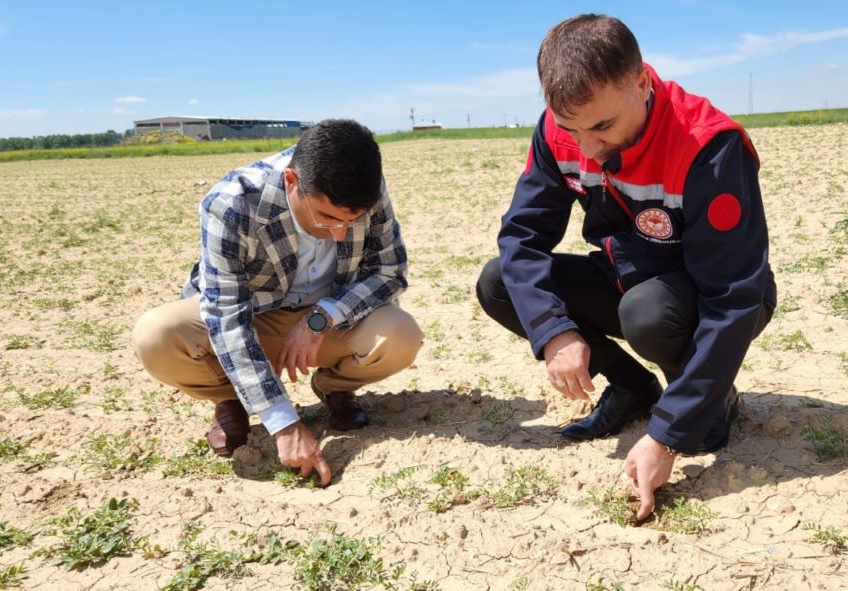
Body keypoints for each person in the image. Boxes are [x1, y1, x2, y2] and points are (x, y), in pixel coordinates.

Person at [476, 14, 776, 519]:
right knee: (501, 282)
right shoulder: (561, 131)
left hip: (710, 299)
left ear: (641, 83)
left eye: (602, 127)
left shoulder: (707, 146)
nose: (588, 148)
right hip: (627, 276)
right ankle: (634, 389)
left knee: (648, 313)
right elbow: (522, 237)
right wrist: (554, 332)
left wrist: (667, 436)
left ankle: (707, 400)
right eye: (572, 128)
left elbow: (733, 299)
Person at [132, 119, 423, 487]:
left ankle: (334, 388)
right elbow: (226, 317)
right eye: (328, 217)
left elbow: (389, 272)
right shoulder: (233, 203)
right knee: (156, 335)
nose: (340, 232)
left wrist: (322, 317)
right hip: (253, 319)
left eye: (353, 221)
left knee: (401, 335)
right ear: (291, 183)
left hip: (326, 322)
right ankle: (233, 399)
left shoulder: (368, 191)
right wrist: (283, 423)